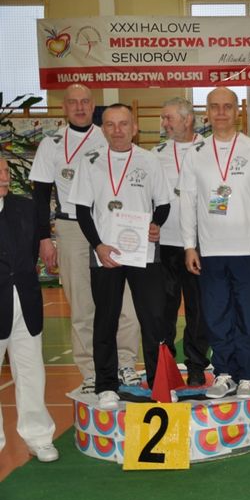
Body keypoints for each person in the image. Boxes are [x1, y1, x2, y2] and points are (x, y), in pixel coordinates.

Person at [29, 83, 142, 393]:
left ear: (94, 106)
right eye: (73, 102)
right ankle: (91, 371)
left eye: (84, 102)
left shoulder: (108, 136)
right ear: (63, 107)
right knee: (82, 305)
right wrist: (44, 238)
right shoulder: (51, 144)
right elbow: (40, 195)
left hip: (111, 225)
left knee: (126, 302)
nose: (79, 107)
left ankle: (126, 363)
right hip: (71, 229)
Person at [69, 103, 173, 410]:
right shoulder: (90, 161)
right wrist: (98, 245)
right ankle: (106, 385)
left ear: (134, 128)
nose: (117, 130)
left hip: (144, 253)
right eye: (111, 125)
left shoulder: (149, 160)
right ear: (103, 129)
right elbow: (82, 210)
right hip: (106, 253)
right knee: (105, 318)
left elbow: (163, 203)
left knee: (153, 319)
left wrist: (156, 224)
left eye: (123, 124)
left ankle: (158, 382)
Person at [181, 87, 250, 398]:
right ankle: (223, 373)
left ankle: (248, 374)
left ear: (237, 112)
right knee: (215, 315)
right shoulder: (195, 154)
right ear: (206, 113)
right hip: (210, 250)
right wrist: (189, 245)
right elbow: (187, 202)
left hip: (249, 250)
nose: (221, 113)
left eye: (227, 107)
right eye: (214, 107)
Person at [0, 157, 58, 462]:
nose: (4, 177)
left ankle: (39, 437)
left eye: (5, 171)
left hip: (26, 302)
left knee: (32, 371)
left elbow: (33, 251)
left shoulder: (25, 208)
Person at [152, 97, 208, 387]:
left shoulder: (208, 150)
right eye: (163, 118)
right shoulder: (156, 154)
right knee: (164, 309)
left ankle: (196, 365)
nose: (164, 123)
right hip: (164, 243)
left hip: (199, 243)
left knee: (198, 309)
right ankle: (166, 365)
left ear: (188, 120)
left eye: (169, 118)